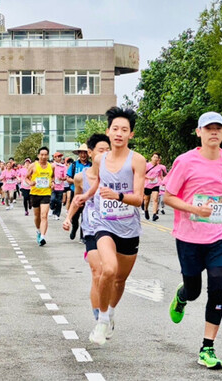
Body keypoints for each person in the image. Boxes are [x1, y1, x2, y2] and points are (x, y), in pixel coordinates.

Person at [165, 111, 222, 370]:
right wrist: (193, 209)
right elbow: (168, 196)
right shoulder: (185, 161)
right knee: (194, 291)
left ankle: (207, 347)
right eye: (208, 128)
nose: (214, 132)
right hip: (189, 238)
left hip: (221, 237)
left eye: (218, 128)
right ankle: (182, 295)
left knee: (217, 286)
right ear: (199, 132)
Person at [73, 107, 145, 346]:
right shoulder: (100, 159)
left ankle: (110, 313)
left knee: (120, 280)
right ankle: (102, 320)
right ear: (108, 131)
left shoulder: (137, 161)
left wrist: (118, 196)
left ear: (131, 135)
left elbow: (138, 198)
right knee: (109, 270)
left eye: (124, 130)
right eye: (115, 129)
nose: (119, 133)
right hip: (104, 224)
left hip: (129, 227)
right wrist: (87, 195)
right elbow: (100, 182)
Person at [63, 133, 110, 322]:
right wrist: (68, 218)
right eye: (101, 150)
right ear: (90, 153)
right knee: (97, 272)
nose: (105, 154)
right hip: (91, 228)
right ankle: (99, 315)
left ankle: (108, 308)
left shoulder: (118, 174)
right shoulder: (80, 177)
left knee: (111, 274)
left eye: (108, 150)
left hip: (114, 228)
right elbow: (78, 199)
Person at [27, 146, 55, 246]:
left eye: (45, 155)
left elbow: (52, 177)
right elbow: (26, 177)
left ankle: (43, 237)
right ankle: (38, 231)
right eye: (41, 154)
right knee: (37, 216)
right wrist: (30, 182)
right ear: (38, 155)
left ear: (48, 155)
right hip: (34, 193)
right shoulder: (33, 166)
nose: (43, 156)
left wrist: (52, 183)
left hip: (46, 193)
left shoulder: (51, 166)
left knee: (44, 215)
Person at [67, 144, 92, 240]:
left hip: (87, 194)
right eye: (81, 153)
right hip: (76, 192)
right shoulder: (74, 165)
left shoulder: (91, 165)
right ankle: (74, 228)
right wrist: (77, 181)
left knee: (85, 215)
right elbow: (68, 178)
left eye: (85, 153)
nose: (83, 155)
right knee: (75, 215)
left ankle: (83, 236)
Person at [143, 152, 167, 221]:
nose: (155, 158)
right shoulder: (147, 165)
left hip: (155, 184)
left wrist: (164, 182)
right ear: (151, 157)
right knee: (147, 200)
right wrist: (148, 177)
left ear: (158, 159)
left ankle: (154, 215)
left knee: (155, 199)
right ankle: (146, 210)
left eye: (157, 157)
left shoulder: (160, 167)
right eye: (154, 157)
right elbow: (142, 174)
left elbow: (160, 176)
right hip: (147, 185)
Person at [50, 152, 67, 220]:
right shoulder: (52, 165)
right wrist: (52, 182)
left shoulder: (64, 167)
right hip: (53, 186)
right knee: (52, 199)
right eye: (58, 157)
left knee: (59, 201)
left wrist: (62, 178)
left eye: (60, 157)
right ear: (54, 157)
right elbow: (49, 175)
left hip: (60, 186)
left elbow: (66, 177)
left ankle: (57, 214)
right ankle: (52, 208)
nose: (59, 158)